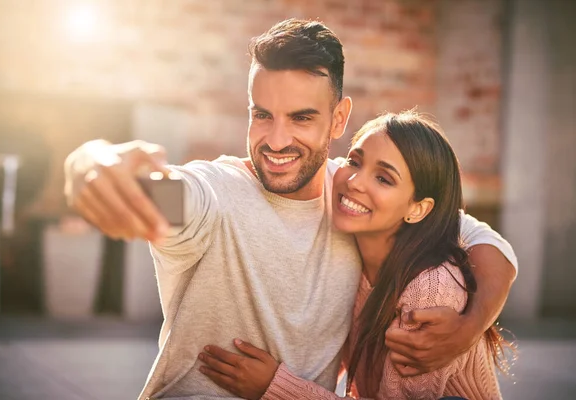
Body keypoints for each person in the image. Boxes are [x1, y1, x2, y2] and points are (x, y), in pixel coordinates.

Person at [63, 19, 517, 399]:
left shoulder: (352, 199)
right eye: (262, 115)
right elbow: (169, 194)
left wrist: (470, 325)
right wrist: (95, 165)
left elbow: (481, 239)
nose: (277, 141)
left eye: (301, 118)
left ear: (339, 119)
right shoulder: (218, 192)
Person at [197, 111, 514, 400]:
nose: (354, 182)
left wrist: (274, 387)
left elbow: (493, 245)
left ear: (417, 209)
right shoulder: (353, 248)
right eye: (354, 161)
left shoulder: (429, 290)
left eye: (383, 178)